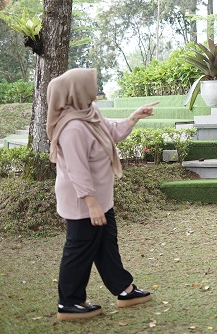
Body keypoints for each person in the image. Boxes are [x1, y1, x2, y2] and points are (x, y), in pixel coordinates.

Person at [48, 68, 156, 320]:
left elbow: (110, 132)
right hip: (83, 201)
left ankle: (124, 289)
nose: (96, 87)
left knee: (106, 243)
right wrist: (91, 204)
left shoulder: (89, 112)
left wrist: (134, 117)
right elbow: (77, 170)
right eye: (92, 83)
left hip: (100, 197)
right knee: (80, 248)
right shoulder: (73, 128)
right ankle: (69, 303)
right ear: (79, 90)